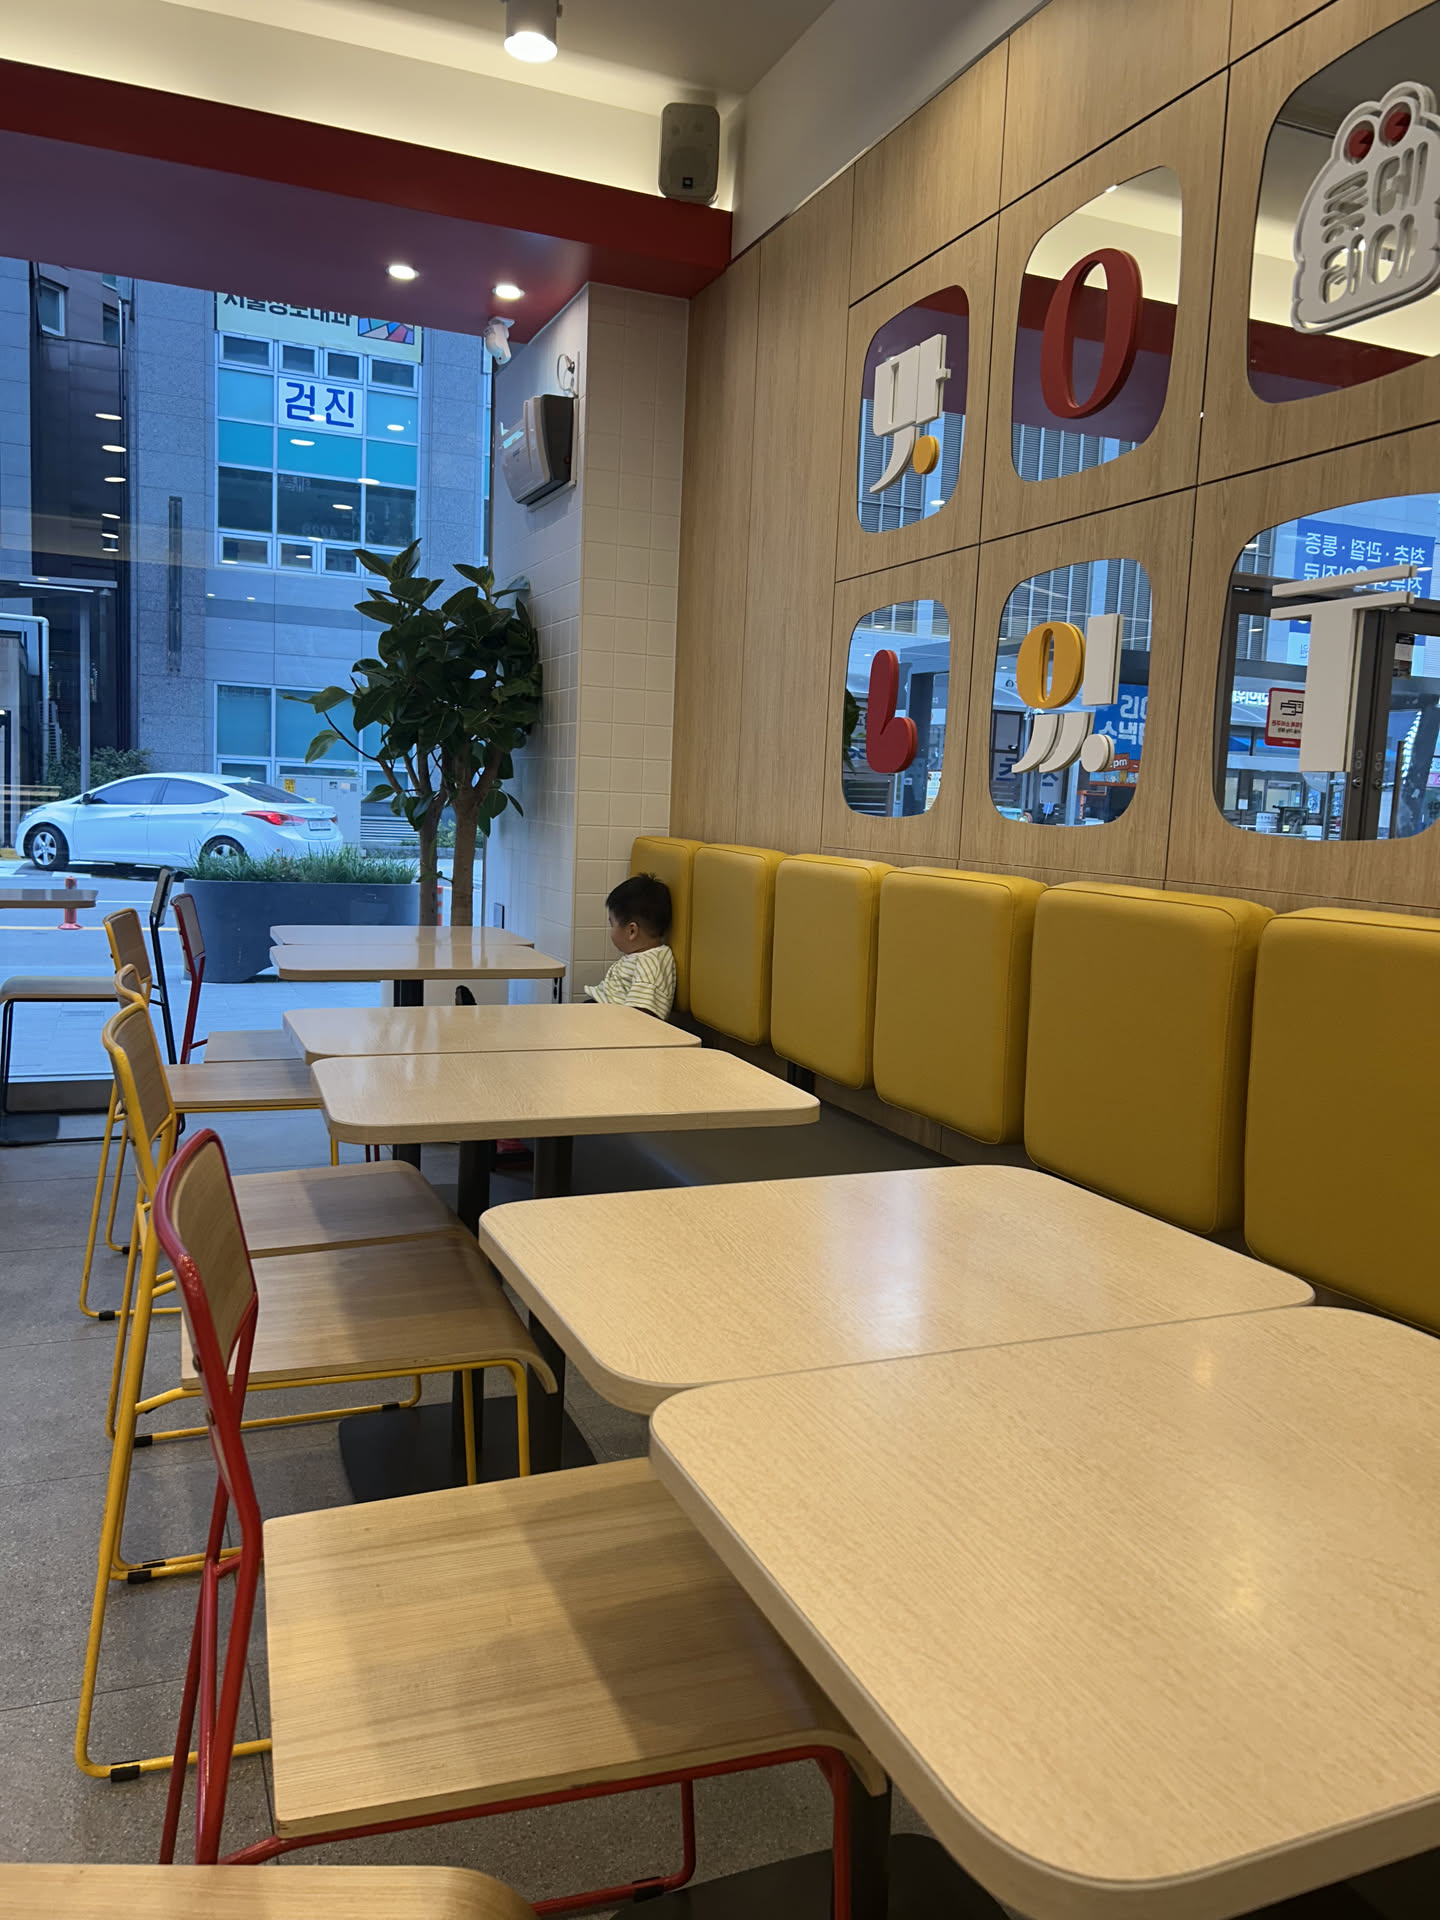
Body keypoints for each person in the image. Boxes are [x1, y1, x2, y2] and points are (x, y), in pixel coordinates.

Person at [585, 873, 676, 1019]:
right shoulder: (642, 956)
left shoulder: (651, 965)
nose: (611, 930)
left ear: (631, 931)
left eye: (612, 924)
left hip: (612, 1022)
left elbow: (639, 1017)